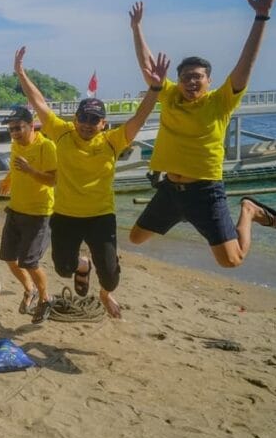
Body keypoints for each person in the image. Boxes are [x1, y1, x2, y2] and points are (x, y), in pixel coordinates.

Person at [127, 0, 276, 267]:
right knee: (135, 238)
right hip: (170, 190)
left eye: (197, 76)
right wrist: (136, 28)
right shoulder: (170, 96)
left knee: (232, 261)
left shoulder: (220, 101)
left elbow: (245, 66)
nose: (190, 81)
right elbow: (150, 67)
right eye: (185, 76)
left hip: (204, 192)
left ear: (209, 81)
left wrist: (261, 16)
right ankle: (186, 218)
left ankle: (248, 211)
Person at [14, 46, 168, 318]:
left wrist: (155, 90)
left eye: (94, 120)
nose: (87, 123)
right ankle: (83, 264)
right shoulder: (62, 133)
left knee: (110, 277)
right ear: (75, 119)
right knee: (63, 268)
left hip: (101, 216)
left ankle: (105, 293)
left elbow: (139, 119)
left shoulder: (112, 141)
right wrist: (20, 73)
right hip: (65, 215)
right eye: (83, 117)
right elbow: (38, 103)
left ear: (103, 124)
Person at [0, 106, 57, 323]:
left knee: (29, 262)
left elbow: (53, 180)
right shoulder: (15, 145)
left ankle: (45, 298)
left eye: (18, 128)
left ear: (31, 125)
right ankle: (29, 289)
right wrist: (8, 179)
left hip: (39, 213)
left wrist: (31, 170)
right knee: (9, 258)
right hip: (15, 210)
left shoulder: (46, 146)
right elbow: (16, 168)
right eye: (11, 129)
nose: (14, 133)